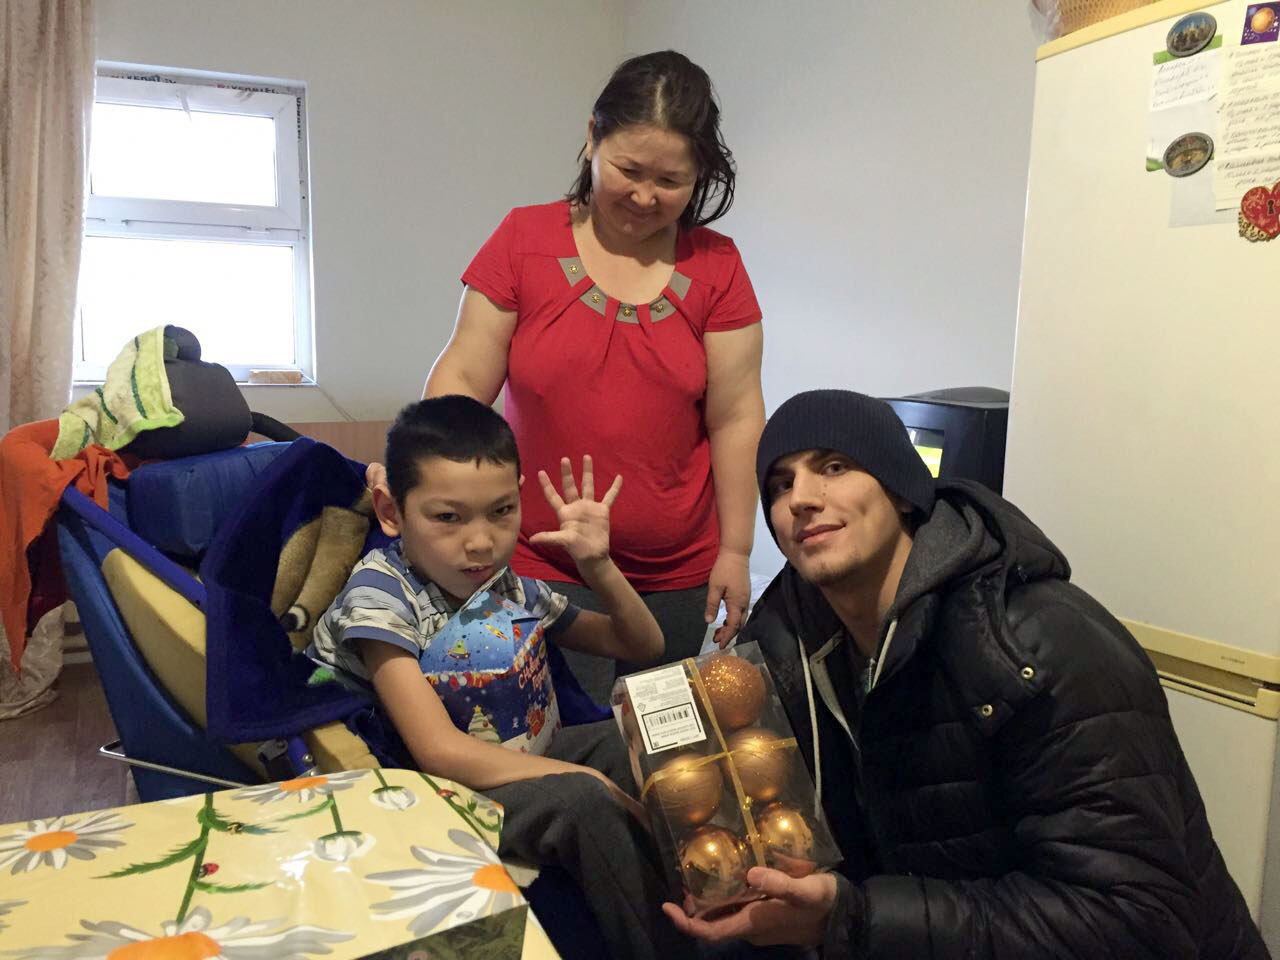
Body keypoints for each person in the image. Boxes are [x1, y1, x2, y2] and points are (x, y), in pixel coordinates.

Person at [663, 389, 1268, 959]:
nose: (801, 497)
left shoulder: (1040, 645)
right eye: (781, 483)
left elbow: (1137, 920)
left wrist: (855, 918)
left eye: (835, 466)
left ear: (903, 492)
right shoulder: (794, 654)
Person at [371, 50, 765, 705]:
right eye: (629, 170)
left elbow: (737, 416)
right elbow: (464, 372)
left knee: (654, 744)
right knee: (553, 738)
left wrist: (738, 551)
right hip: (539, 557)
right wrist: (412, 466)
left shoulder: (718, 266)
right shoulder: (524, 238)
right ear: (592, 138)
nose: (645, 196)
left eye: (670, 180)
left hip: (674, 571)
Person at [310, 396, 693, 960]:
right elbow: (438, 752)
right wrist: (589, 779)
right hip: (415, 782)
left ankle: (710, 889)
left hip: (501, 746)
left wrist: (598, 565)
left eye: (501, 511)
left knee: (630, 738)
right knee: (584, 800)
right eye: (448, 517)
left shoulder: (503, 584)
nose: (481, 542)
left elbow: (639, 644)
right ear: (391, 512)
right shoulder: (380, 598)